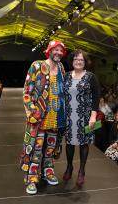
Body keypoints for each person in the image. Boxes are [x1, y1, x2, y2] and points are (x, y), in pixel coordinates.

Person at [20, 40, 66, 195]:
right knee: (36, 149)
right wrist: (32, 111)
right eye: (56, 50)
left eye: (61, 51)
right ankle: (32, 179)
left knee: (50, 150)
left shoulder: (61, 68)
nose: (58, 53)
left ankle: (48, 172)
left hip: (56, 118)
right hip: (39, 119)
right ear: (49, 50)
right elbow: (27, 91)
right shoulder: (37, 66)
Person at [62, 49, 100, 186]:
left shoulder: (91, 77)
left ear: (85, 62)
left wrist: (93, 116)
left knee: (84, 144)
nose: (78, 61)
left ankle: (82, 171)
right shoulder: (66, 76)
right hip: (69, 116)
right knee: (69, 143)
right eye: (76, 59)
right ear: (72, 61)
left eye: (81, 60)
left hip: (86, 116)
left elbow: (96, 97)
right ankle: (69, 167)